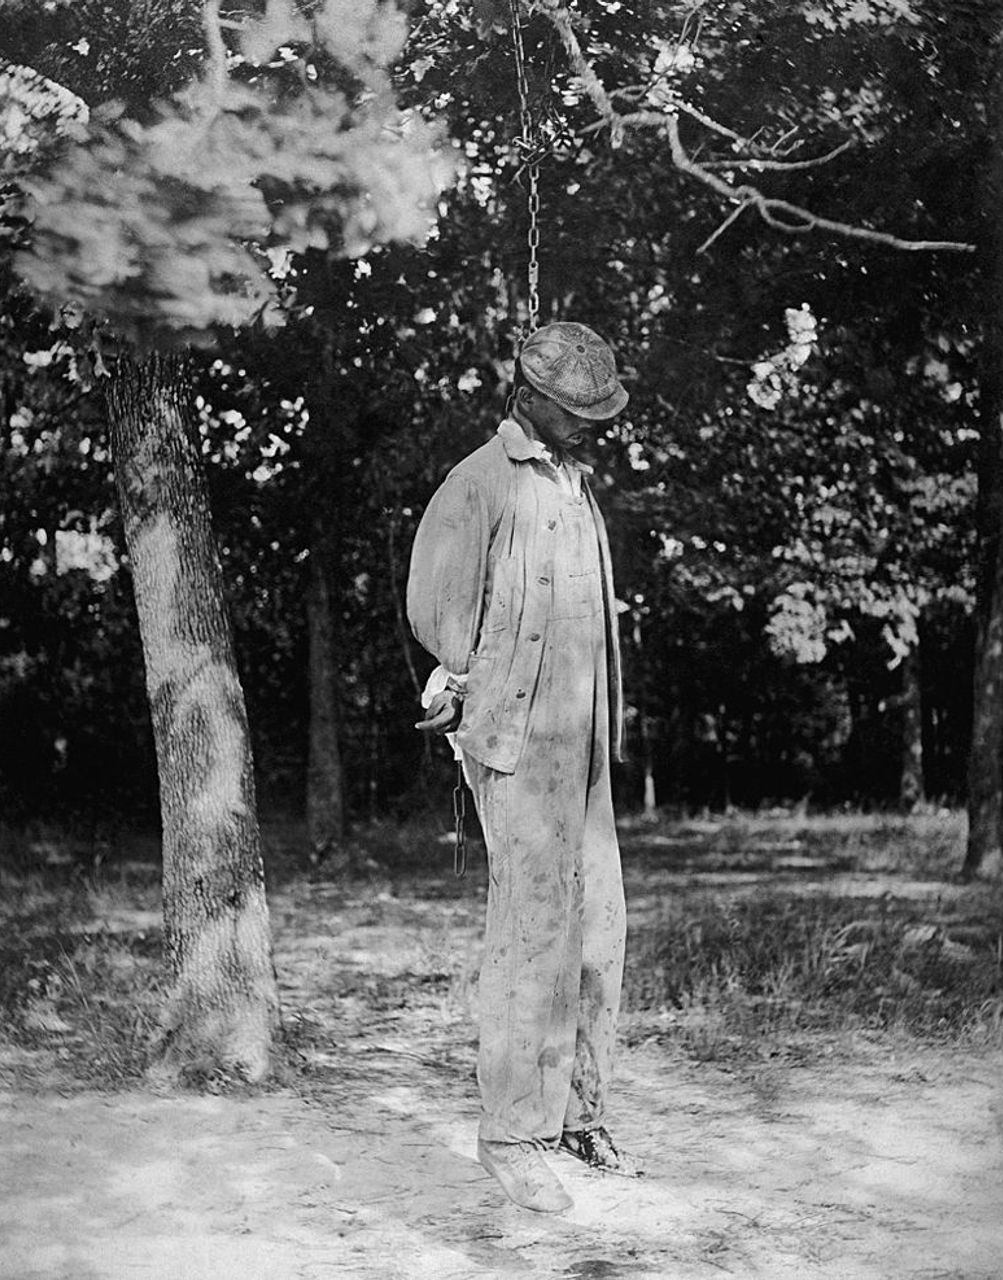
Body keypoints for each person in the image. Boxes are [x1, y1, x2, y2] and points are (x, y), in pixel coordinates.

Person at [406, 321, 632, 1213]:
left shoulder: (572, 481)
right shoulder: (479, 482)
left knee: (598, 925)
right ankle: (510, 1133)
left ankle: (577, 1111)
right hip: (515, 739)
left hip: (581, 741)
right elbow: (439, 610)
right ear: (528, 397)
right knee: (531, 934)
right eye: (575, 411)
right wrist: (466, 683)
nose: (589, 426)